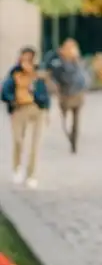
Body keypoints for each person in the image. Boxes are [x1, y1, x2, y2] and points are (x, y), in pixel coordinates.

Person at [1, 47, 51, 189]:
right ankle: (17, 167)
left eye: (30, 58)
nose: (27, 61)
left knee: (35, 144)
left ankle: (31, 174)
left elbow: (45, 93)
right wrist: (12, 100)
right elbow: (5, 92)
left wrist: (46, 109)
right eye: (25, 58)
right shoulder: (14, 74)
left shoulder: (38, 75)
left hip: (36, 108)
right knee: (18, 140)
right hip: (19, 108)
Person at [44, 39, 91, 153]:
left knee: (76, 120)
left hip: (78, 94)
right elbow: (53, 73)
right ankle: (69, 135)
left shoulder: (78, 61)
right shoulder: (59, 60)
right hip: (65, 94)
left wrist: (76, 60)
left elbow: (83, 75)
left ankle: (74, 141)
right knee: (64, 120)